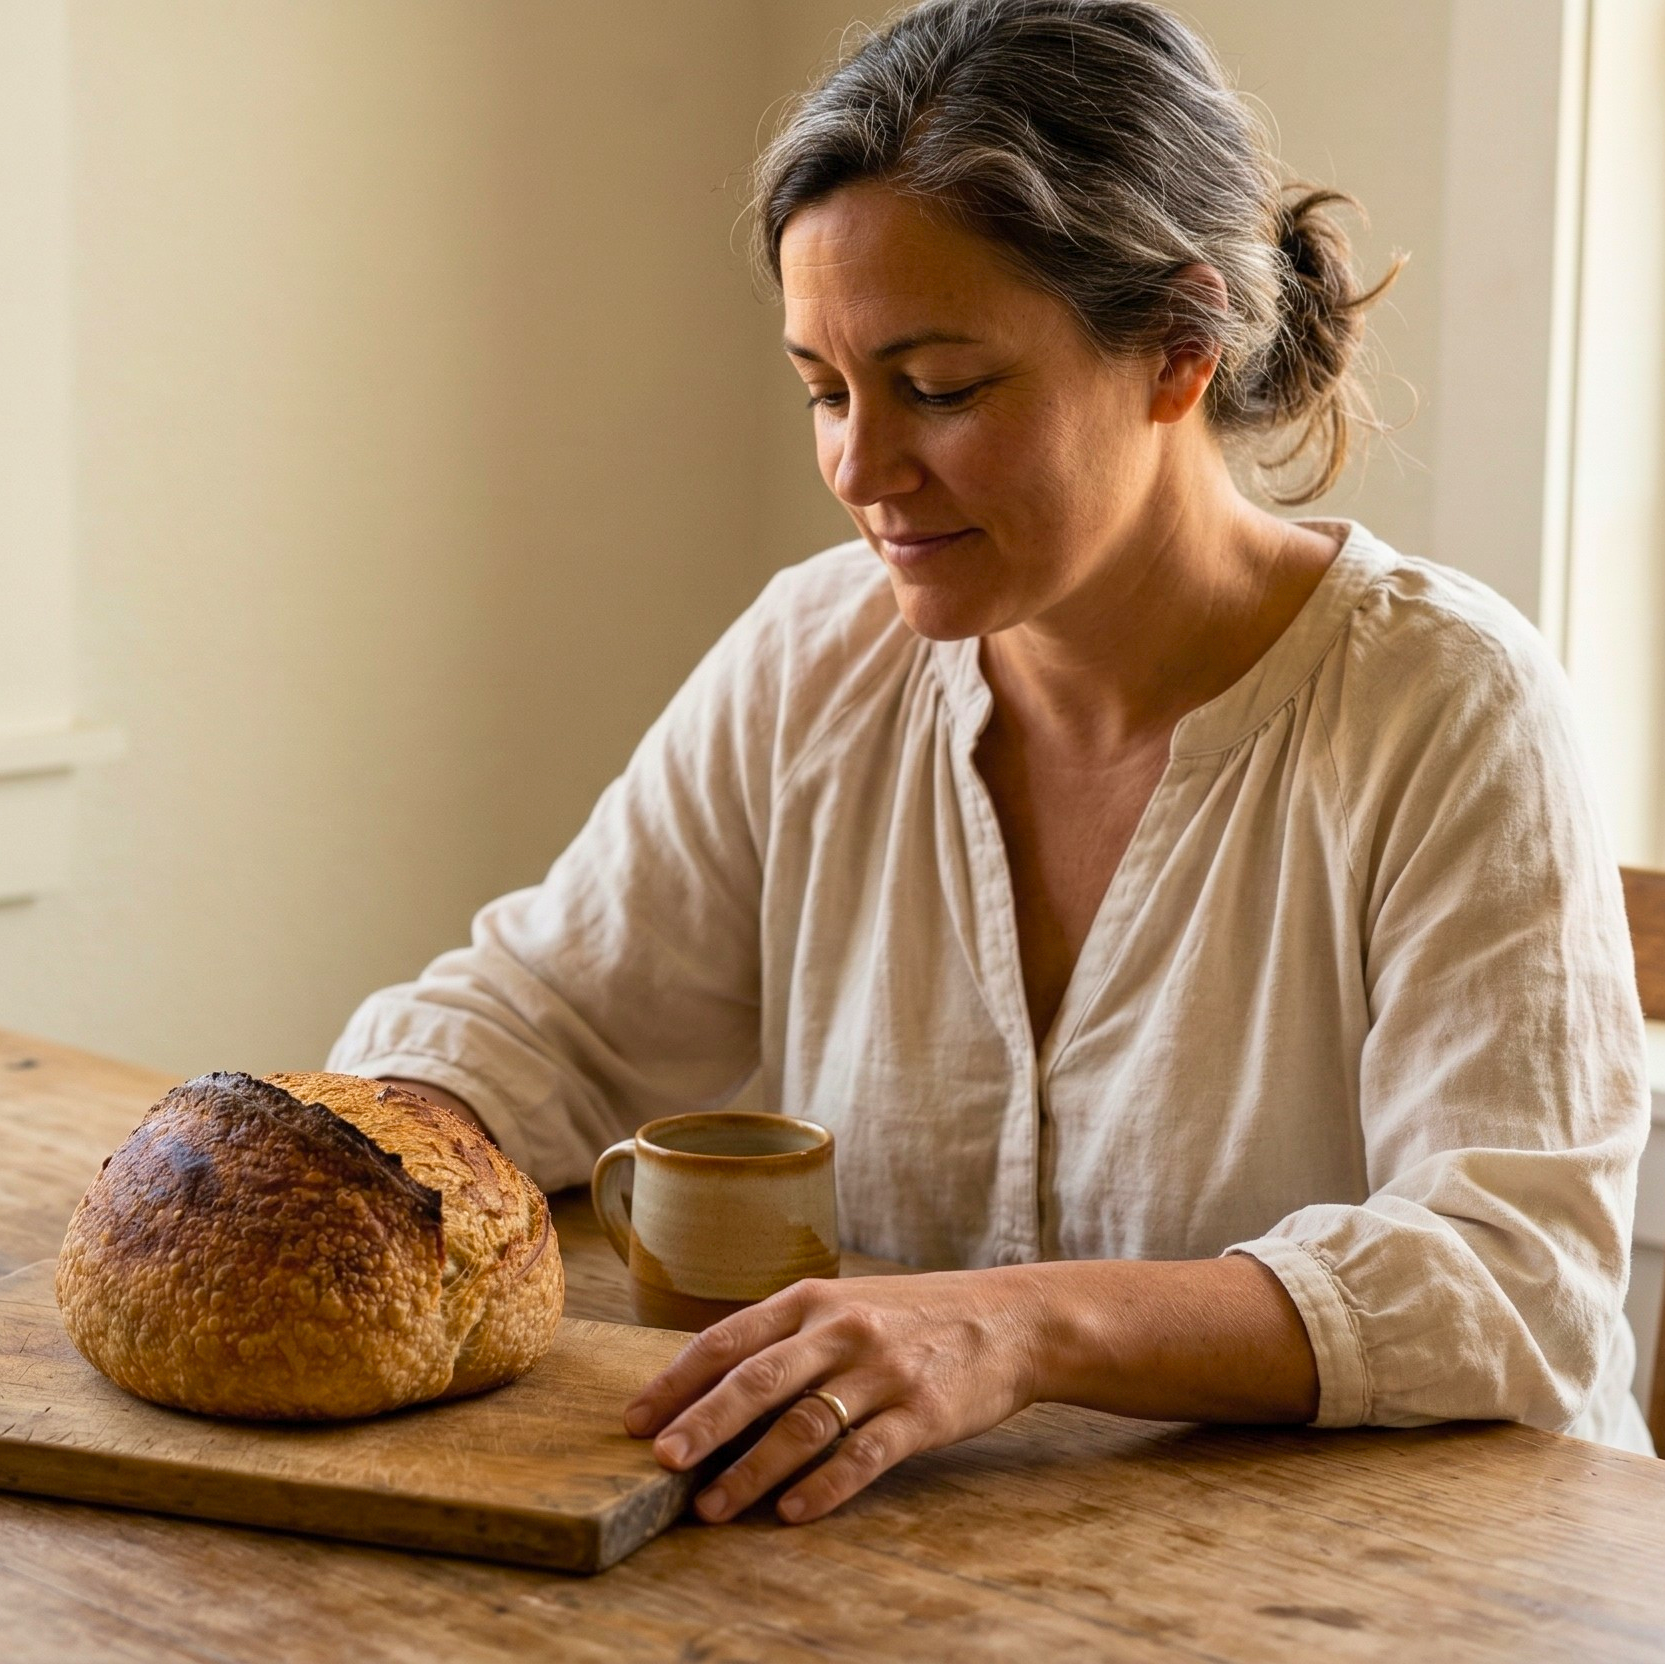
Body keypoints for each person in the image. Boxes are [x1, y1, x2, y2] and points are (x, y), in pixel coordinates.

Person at [328, 0, 1654, 1525]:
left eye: (940, 388)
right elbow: (547, 1016)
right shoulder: (810, 659)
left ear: (1177, 347)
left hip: (1430, 1588)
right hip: (932, 1561)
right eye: (826, 388)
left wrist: (1014, 1324)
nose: (858, 470)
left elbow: (1514, 1279)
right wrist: (331, 1148)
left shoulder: (1446, 705)